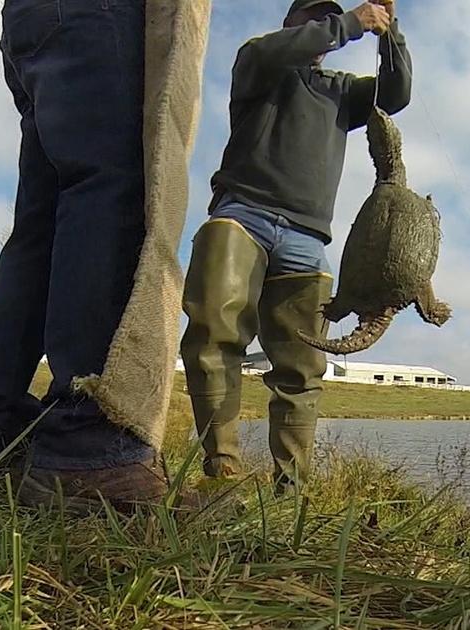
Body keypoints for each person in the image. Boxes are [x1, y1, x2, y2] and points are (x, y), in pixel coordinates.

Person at [0, 0, 212, 514]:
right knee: (115, 182)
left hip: (38, 16)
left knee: (46, 214)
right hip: (102, 12)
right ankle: (89, 451)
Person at [180, 0, 412, 492]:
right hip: (241, 216)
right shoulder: (259, 61)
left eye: (326, 16)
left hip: (308, 239)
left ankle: (291, 489)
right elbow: (294, 45)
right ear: (291, 24)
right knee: (214, 337)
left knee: (302, 367)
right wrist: (350, 23)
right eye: (312, 17)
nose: (319, 25)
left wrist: (390, 33)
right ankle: (221, 471)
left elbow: (395, 95)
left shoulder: (342, 92)